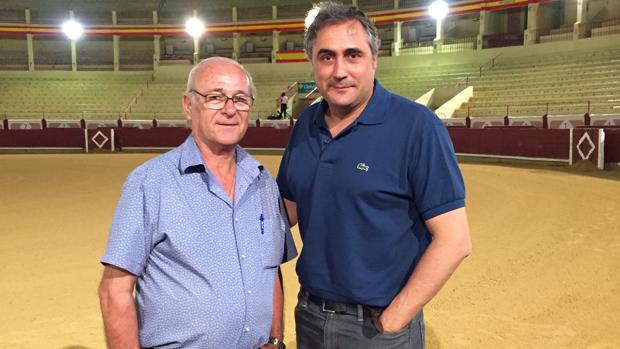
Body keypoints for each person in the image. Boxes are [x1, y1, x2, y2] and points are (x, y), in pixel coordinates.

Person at [276, 3, 472, 348]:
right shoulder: (306, 125)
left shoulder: (417, 128)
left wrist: (394, 319)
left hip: (377, 328)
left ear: (373, 60)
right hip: (309, 316)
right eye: (326, 57)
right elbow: (288, 208)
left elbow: (454, 240)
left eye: (352, 55)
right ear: (313, 63)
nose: (339, 70)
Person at [98, 57, 297, 349]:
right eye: (215, 97)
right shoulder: (150, 182)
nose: (230, 109)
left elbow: (270, 270)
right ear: (188, 105)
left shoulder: (263, 181)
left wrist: (276, 339)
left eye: (240, 99)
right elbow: (114, 290)